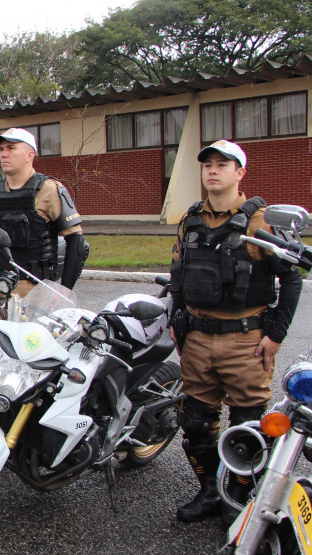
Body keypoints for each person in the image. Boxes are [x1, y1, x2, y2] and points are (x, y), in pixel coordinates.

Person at [169, 140, 302, 524]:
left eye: (222, 164)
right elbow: (178, 272)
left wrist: (275, 335)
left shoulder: (262, 222)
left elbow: (292, 280)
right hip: (197, 338)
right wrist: (177, 317)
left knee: (248, 427)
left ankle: (239, 498)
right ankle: (209, 491)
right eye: (207, 164)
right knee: (195, 422)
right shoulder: (191, 219)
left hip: (245, 340)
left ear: (240, 172)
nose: (212, 170)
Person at [0, 127, 86, 298]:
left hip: (37, 290)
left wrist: (64, 292)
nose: (3, 154)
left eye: (11, 148)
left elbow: (77, 242)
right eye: (1, 149)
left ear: (29, 155)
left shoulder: (49, 189)